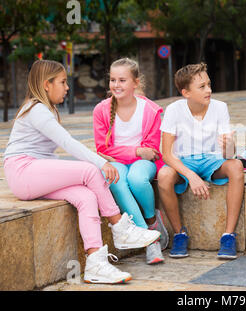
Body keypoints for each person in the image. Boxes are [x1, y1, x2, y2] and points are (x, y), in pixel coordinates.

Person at [3, 59, 160, 284]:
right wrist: (100, 163)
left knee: (86, 197)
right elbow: (68, 143)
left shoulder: (45, 109)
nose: (67, 87)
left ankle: (96, 262)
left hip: (30, 175)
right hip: (23, 172)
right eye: (63, 82)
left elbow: (51, 157)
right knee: (90, 171)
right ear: (47, 84)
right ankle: (120, 226)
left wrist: (94, 162)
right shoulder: (37, 110)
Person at [157, 63, 244, 259]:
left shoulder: (220, 107)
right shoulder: (173, 110)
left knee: (236, 166)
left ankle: (228, 236)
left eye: (209, 84)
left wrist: (228, 145)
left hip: (212, 160)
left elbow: (228, 156)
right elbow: (167, 154)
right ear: (186, 92)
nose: (209, 90)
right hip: (184, 162)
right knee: (163, 175)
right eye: (202, 87)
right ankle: (180, 234)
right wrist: (191, 176)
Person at [93, 58, 168, 265]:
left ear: (135, 83)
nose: (116, 85)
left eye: (122, 80)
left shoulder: (151, 110)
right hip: (115, 162)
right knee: (116, 180)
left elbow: (151, 152)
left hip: (143, 164)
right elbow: (103, 149)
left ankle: (153, 220)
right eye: (113, 80)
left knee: (136, 178)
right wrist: (136, 150)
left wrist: (134, 153)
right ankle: (149, 239)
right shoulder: (101, 110)